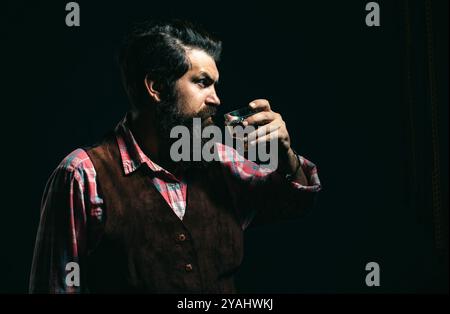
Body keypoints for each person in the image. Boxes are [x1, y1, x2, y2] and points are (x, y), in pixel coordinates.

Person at [29, 19, 321, 293]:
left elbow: (295, 203)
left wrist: (285, 155)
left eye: (215, 85)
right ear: (156, 87)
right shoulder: (82, 175)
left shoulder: (220, 158)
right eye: (202, 82)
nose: (216, 98)